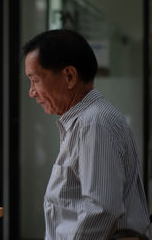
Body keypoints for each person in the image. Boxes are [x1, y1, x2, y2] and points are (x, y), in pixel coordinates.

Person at [23, 29, 150, 239]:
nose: (32, 91)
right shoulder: (82, 121)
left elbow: (101, 209)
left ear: (70, 76)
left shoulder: (93, 123)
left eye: (35, 80)